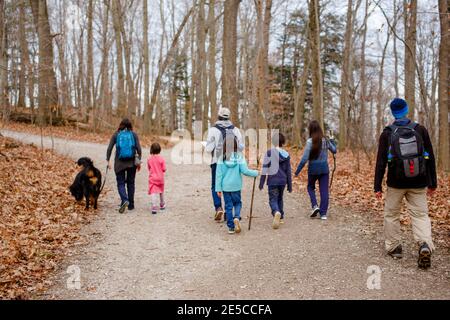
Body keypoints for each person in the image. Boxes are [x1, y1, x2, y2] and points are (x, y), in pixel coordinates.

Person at [374, 98, 437, 269]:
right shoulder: (420, 130)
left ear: (393, 113)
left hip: (395, 183)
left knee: (391, 214)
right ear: (407, 110)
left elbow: (380, 162)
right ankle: (424, 244)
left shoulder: (387, 133)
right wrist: (433, 183)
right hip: (419, 180)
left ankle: (395, 248)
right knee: (420, 215)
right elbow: (430, 157)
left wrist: (377, 186)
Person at [205, 107, 244, 222]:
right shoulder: (235, 130)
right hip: (232, 161)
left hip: (217, 161)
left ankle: (218, 207)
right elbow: (241, 147)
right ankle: (229, 213)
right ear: (229, 117)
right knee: (230, 186)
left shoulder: (213, 130)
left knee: (215, 185)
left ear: (219, 116)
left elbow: (208, 149)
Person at [215, 136, 258, 234]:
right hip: (236, 186)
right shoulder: (239, 157)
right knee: (238, 203)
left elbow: (218, 175)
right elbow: (245, 171)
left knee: (228, 206)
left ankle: (231, 227)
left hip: (226, 187)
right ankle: (237, 217)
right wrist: (255, 173)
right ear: (236, 145)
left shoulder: (221, 158)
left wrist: (218, 189)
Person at [294, 121, 337, 220]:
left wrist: (297, 171)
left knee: (310, 187)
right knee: (324, 191)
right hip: (324, 169)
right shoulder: (326, 140)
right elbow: (334, 150)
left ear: (311, 130)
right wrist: (332, 140)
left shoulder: (310, 141)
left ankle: (315, 206)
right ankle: (323, 214)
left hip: (313, 169)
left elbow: (304, 158)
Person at [107, 118, 142, 213]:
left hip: (119, 163)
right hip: (131, 163)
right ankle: (131, 204)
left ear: (120, 125)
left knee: (121, 183)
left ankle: (124, 199)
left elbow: (109, 148)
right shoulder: (133, 135)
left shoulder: (116, 134)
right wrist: (138, 162)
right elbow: (139, 149)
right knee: (131, 183)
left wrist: (108, 160)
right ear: (130, 126)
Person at [259, 133, 293, 229]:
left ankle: (276, 211)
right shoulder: (286, 155)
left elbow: (265, 168)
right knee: (280, 198)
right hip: (282, 181)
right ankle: (281, 217)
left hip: (272, 180)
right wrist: (290, 185)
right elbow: (288, 171)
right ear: (283, 142)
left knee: (273, 199)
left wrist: (261, 182)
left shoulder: (269, 153)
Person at [147, 142, 167, 215]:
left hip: (153, 178)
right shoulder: (161, 159)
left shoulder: (149, 159)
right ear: (159, 150)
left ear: (151, 149)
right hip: (160, 178)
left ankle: (154, 206)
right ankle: (162, 204)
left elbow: (149, 168)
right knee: (161, 191)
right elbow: (164, 169)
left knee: (153, 192)